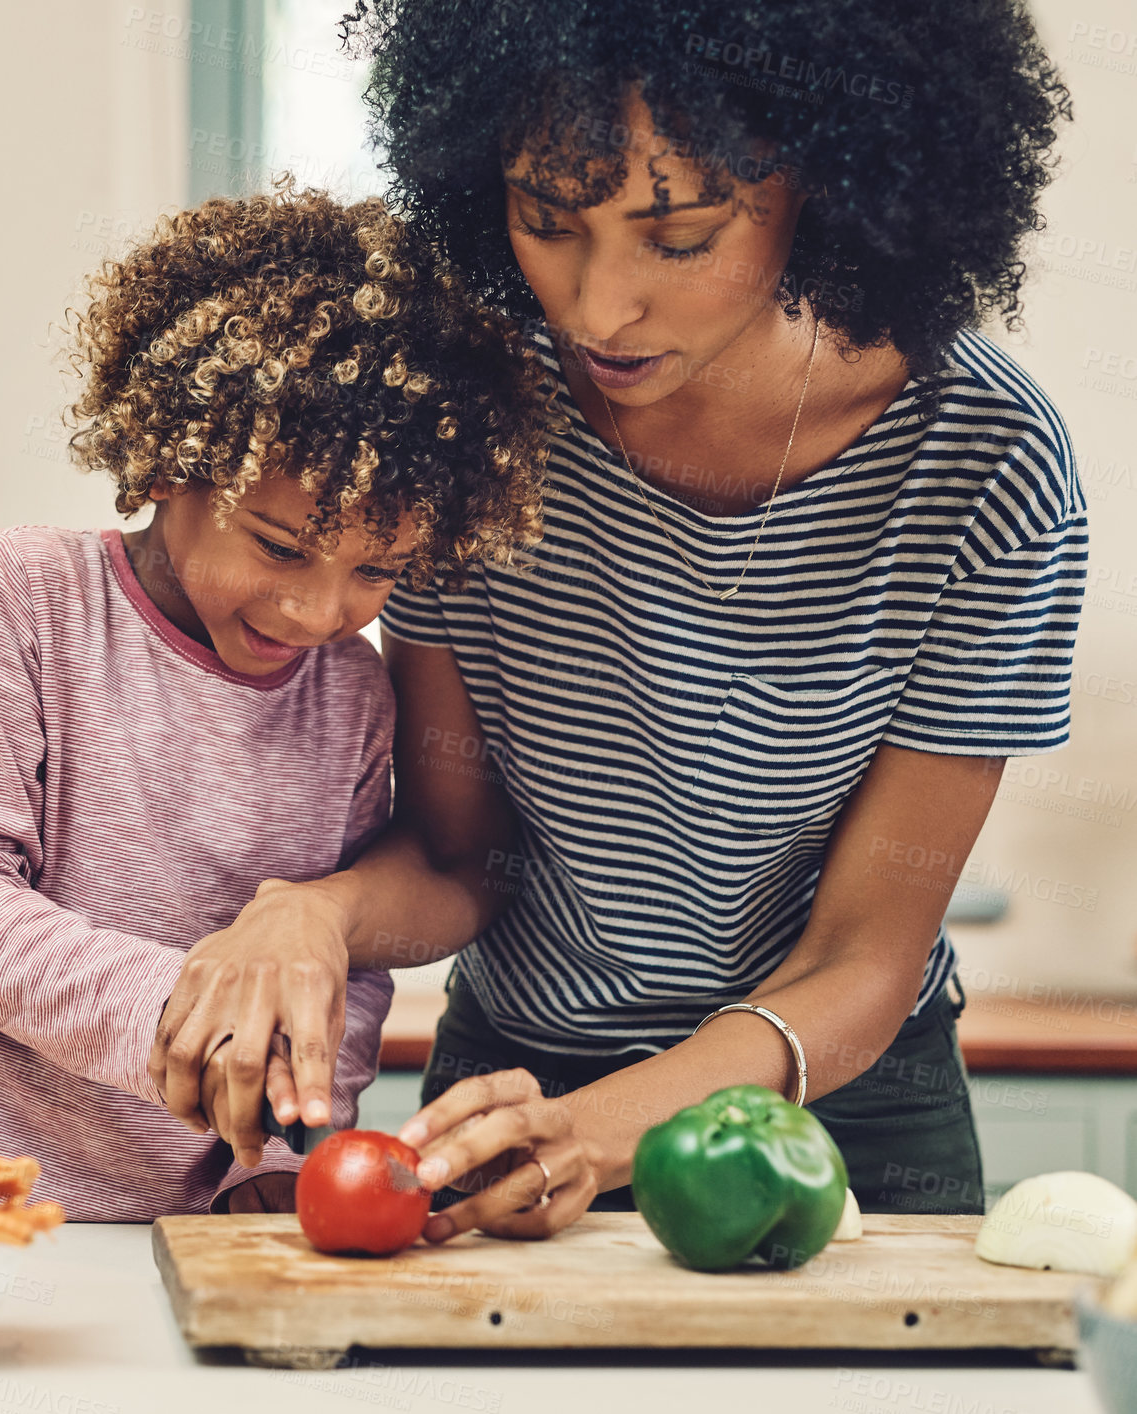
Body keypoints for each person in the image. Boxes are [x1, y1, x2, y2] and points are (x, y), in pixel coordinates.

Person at [152, 0, 1088, 1239]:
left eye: (682, 235)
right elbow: (461, 851)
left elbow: (863, 958)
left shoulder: (984, 460)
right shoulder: (465, 411)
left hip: (830, 1105)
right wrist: (308, 909)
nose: (598, 309)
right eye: (546, 220)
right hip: (516, 1077)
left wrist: (600, 1134)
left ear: (828, 186)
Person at [0, 184, 553, 1220]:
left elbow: (344, 968)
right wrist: (179, 1004)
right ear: (172, 459)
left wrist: (286, 1144)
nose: (319, 610)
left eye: (379, 571)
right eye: (279, 546)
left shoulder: (352, 690)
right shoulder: (27, 596)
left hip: (188, 1218)